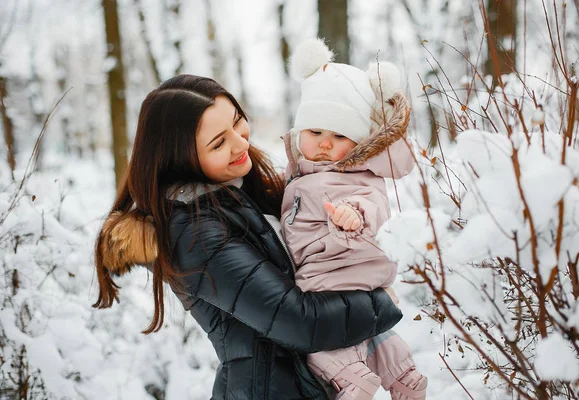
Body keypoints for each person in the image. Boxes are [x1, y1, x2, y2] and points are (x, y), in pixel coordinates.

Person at [92, 74, 403, 399]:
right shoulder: (194, 234)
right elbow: (298, 321)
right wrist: (380, 300)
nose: (241, 144)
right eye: (218, 143)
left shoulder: (240, 191)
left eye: (237, 121)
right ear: (181, 159)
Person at [279, 39, 428, 400]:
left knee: (326, 350)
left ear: (358, 142)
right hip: (345, 283)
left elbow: (372, 203)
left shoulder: (354, 174)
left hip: (331, 281)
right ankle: (404, 379)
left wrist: (353, 216)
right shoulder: (302, 172)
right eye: (315, 132)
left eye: (339, 135)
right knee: (380, 346)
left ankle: (359, 385)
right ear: (300, 132)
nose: (325, 144)